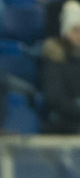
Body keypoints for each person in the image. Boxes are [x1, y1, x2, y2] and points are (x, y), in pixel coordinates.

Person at [41, 0, 80, 134]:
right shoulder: (56, 58)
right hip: (66, 123)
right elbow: (55, 98)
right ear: (66, 31)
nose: (79, 35)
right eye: (75, 30)